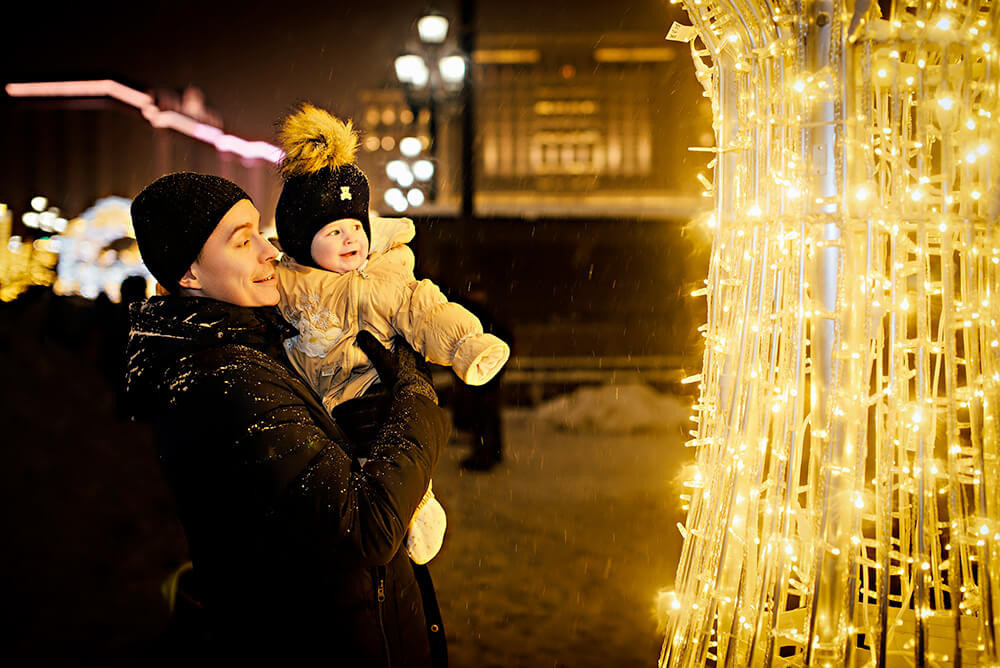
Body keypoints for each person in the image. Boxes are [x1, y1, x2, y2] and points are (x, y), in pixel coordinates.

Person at [124, 172, 451, 665]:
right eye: (242, 241)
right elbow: (369, 526)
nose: (269, 250)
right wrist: (415, 393)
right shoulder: (226, 383)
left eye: (261, 230)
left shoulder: (258, 348)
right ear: (188, 274)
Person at [272, 104, 511, 561]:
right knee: (342, 481)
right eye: (333, 231)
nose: (349, 240)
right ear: (302, 242)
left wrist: (465, 344)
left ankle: (420, 507)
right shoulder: (288, 282)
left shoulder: (385, 277)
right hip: (316, 407)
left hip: (371, 389)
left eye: (355, 227)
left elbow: (425, 311)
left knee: (390, 453)